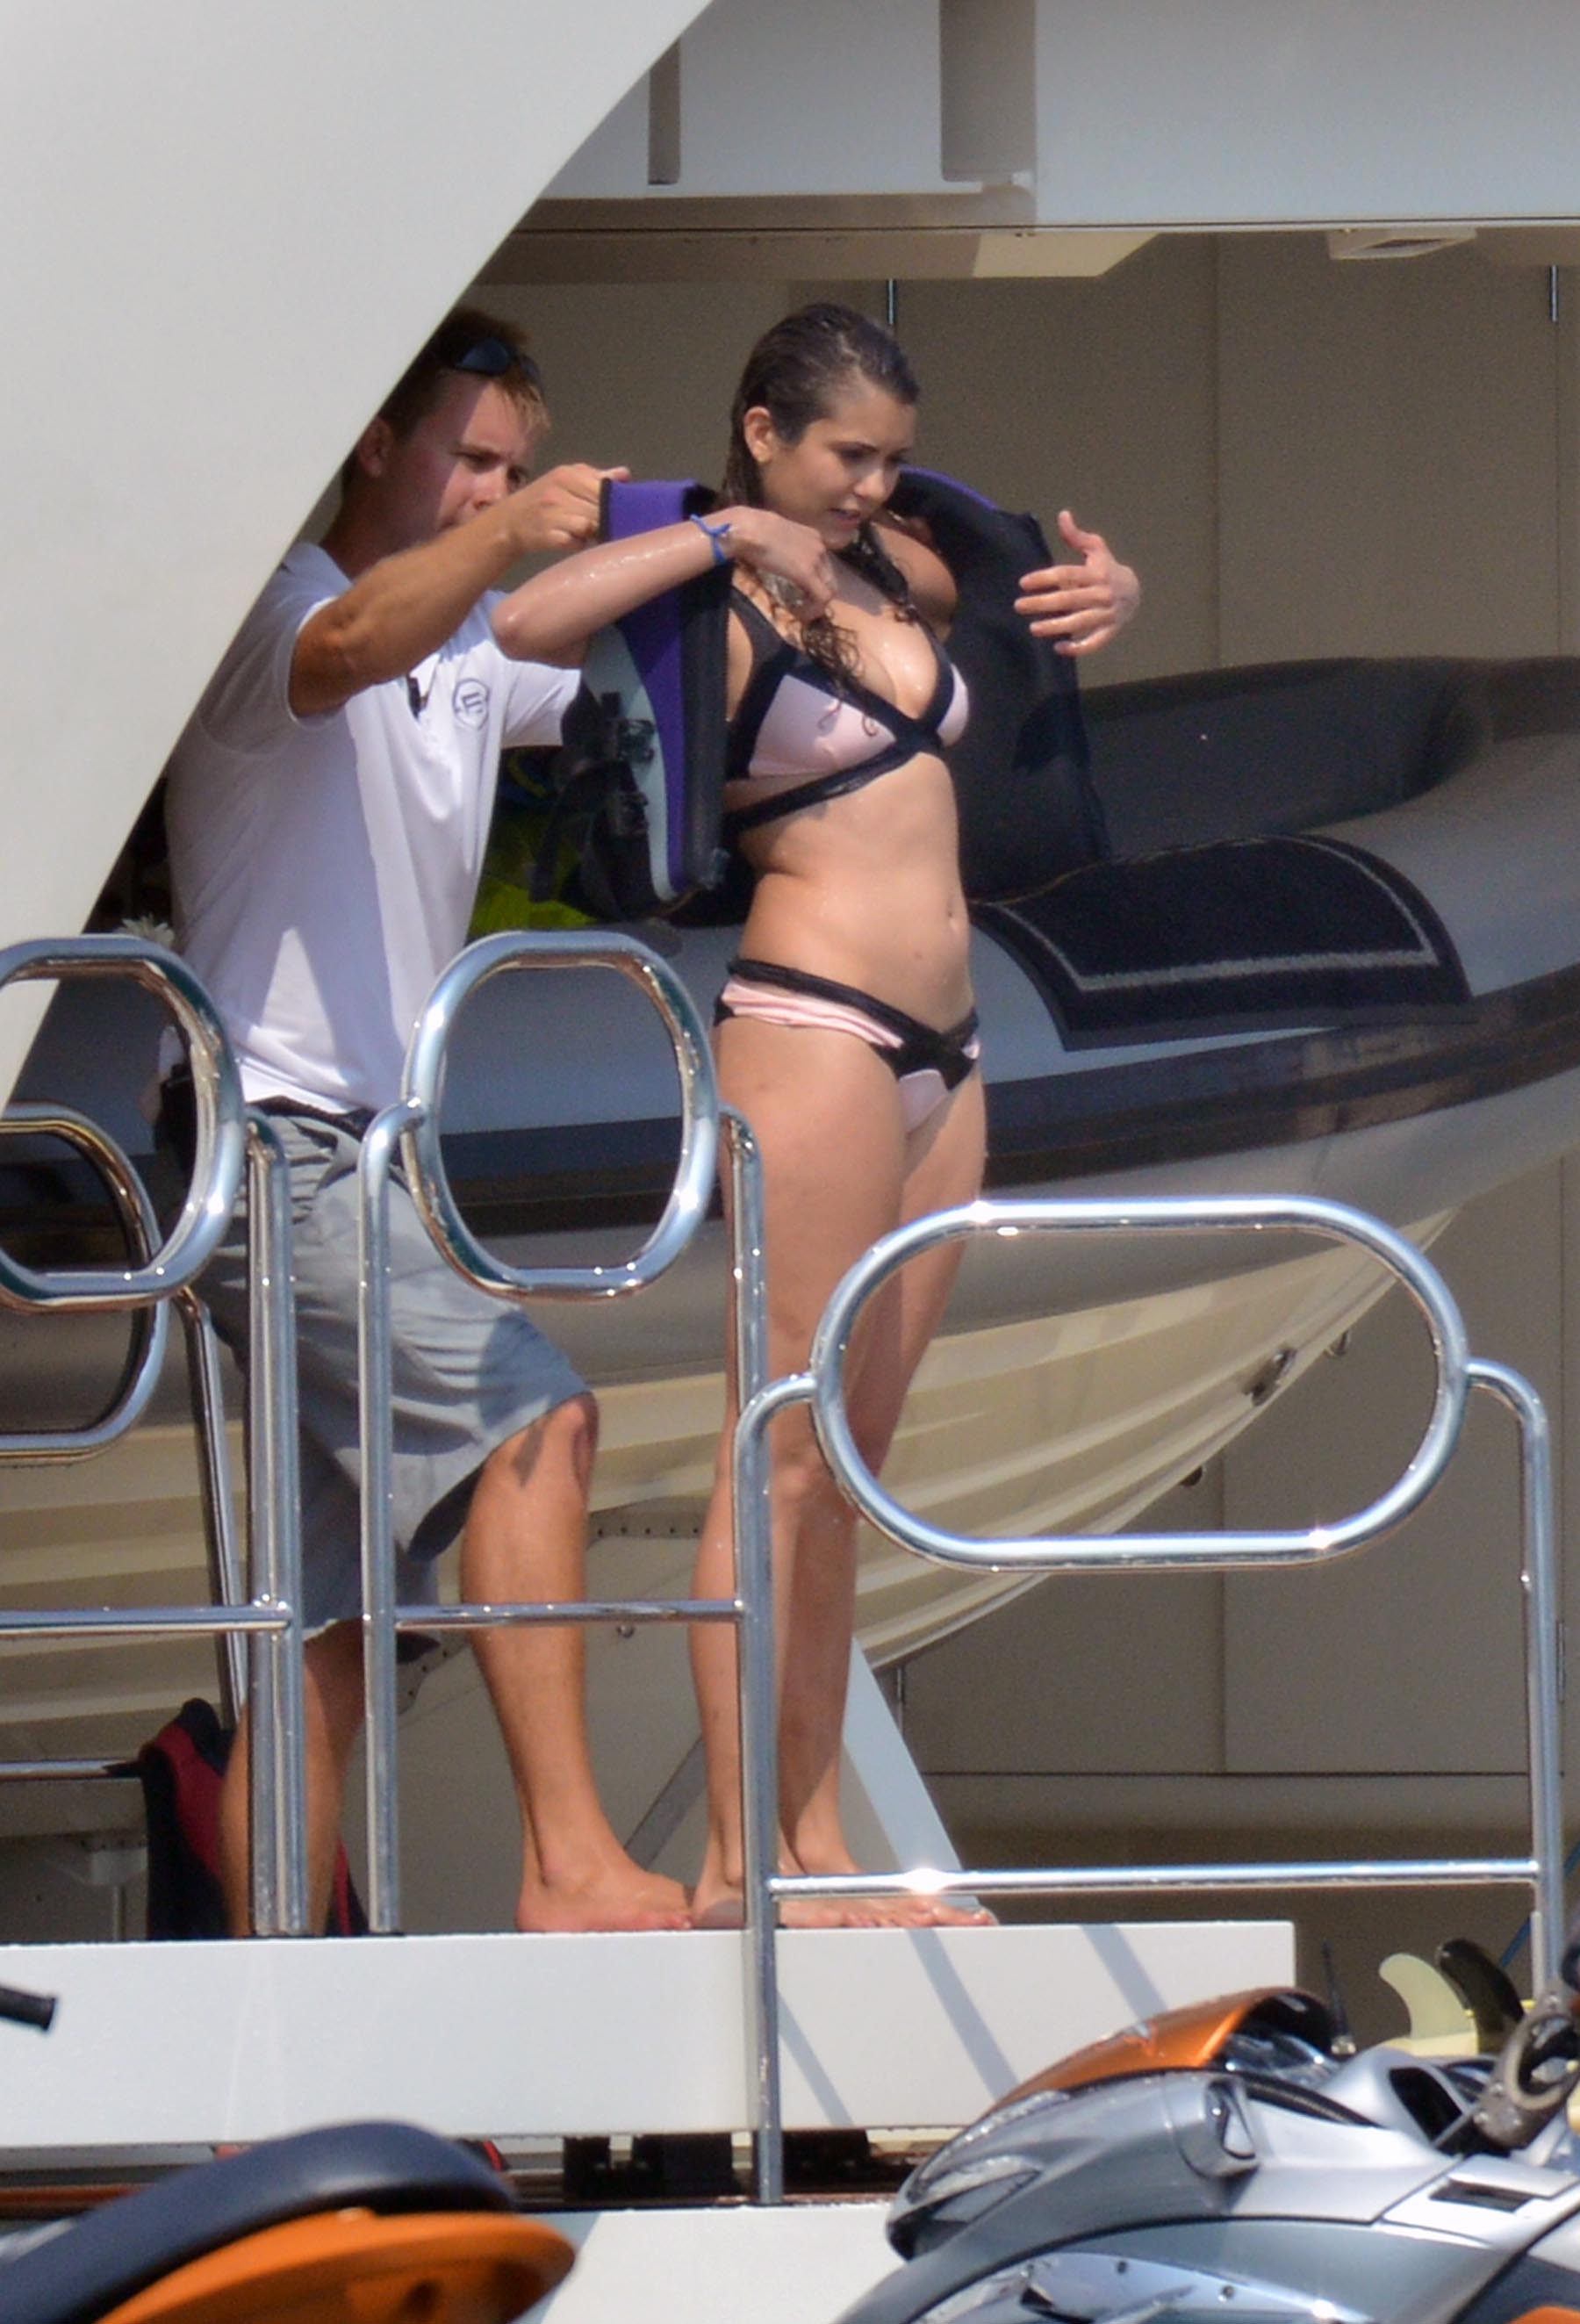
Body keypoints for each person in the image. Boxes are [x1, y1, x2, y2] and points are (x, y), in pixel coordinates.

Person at [492, 301, 1138, 1926]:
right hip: (814, 1027)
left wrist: (1108, 595)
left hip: (949, 1041)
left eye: (894, 460)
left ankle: (822, 1845)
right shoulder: (715, 594)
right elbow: (527, 622)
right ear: (764, 429)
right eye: (848, 455)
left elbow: (1023, 592)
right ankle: (744, 1863)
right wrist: (724, 531)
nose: (872, 487)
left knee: (848, 1466)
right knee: (781, 1445)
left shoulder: (896, 574)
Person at [162, 306, 691, 1935]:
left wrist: (739, 537)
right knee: (538, 1424)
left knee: (324, 1631)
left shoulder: (463, 641)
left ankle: (266, 1999)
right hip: (274, 1138)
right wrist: (514, 540)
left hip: (359, 1155)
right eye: (470, 459)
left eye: (514, 467)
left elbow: (587, 648)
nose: (492, 490)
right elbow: (345, 650)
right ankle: (569, 1863)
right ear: (376, 441)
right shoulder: (273, 608)